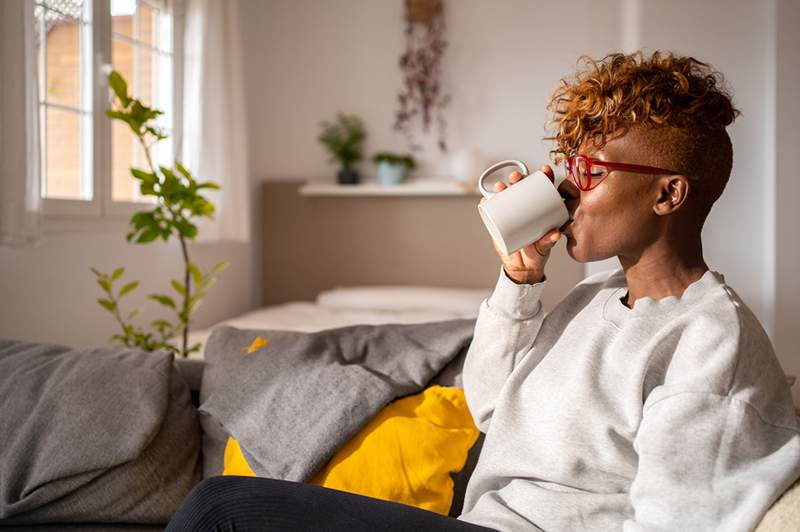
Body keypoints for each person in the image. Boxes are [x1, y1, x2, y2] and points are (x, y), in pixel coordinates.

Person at [166, 50, 800, 531]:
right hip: (480, 523)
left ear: (668, 193)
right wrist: (519, 280)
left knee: (224, 509)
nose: (566, 188)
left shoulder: (711, 346)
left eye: (591, 172)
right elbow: (490, 406)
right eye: (567, 164)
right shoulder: (592, 300)